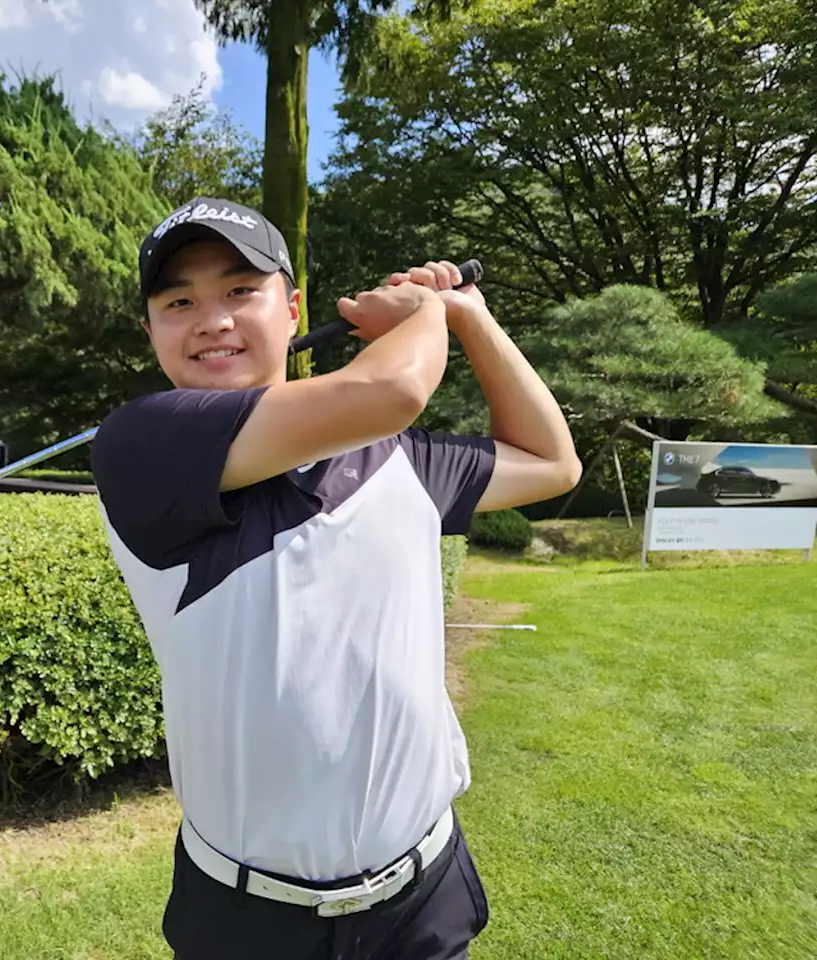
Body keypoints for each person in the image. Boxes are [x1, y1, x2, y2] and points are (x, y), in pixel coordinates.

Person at [90, 197, 581, 960]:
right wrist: (424, 311)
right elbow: (391, 390)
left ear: (292, 311)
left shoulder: (402, 461)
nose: (211, 318)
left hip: (422, 896)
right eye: (178, 301)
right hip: (247, 919)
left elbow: (553, 462)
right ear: (152, 331)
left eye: (239, 291)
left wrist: (470, 317)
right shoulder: (142, 444)